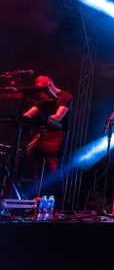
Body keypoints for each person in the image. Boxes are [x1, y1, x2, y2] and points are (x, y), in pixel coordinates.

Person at [23, 75, 73, 216]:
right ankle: (23, 201)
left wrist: (41, 119)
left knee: (55, 170)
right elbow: (31, 112)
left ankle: (57, 207)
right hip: (41, 134)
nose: (41, 92)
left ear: (50, 83)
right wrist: (22, 118)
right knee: (21, 161)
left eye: (42, 88)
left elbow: (58, 116)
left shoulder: (65, 95)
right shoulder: (42, 97)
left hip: (57, 136)